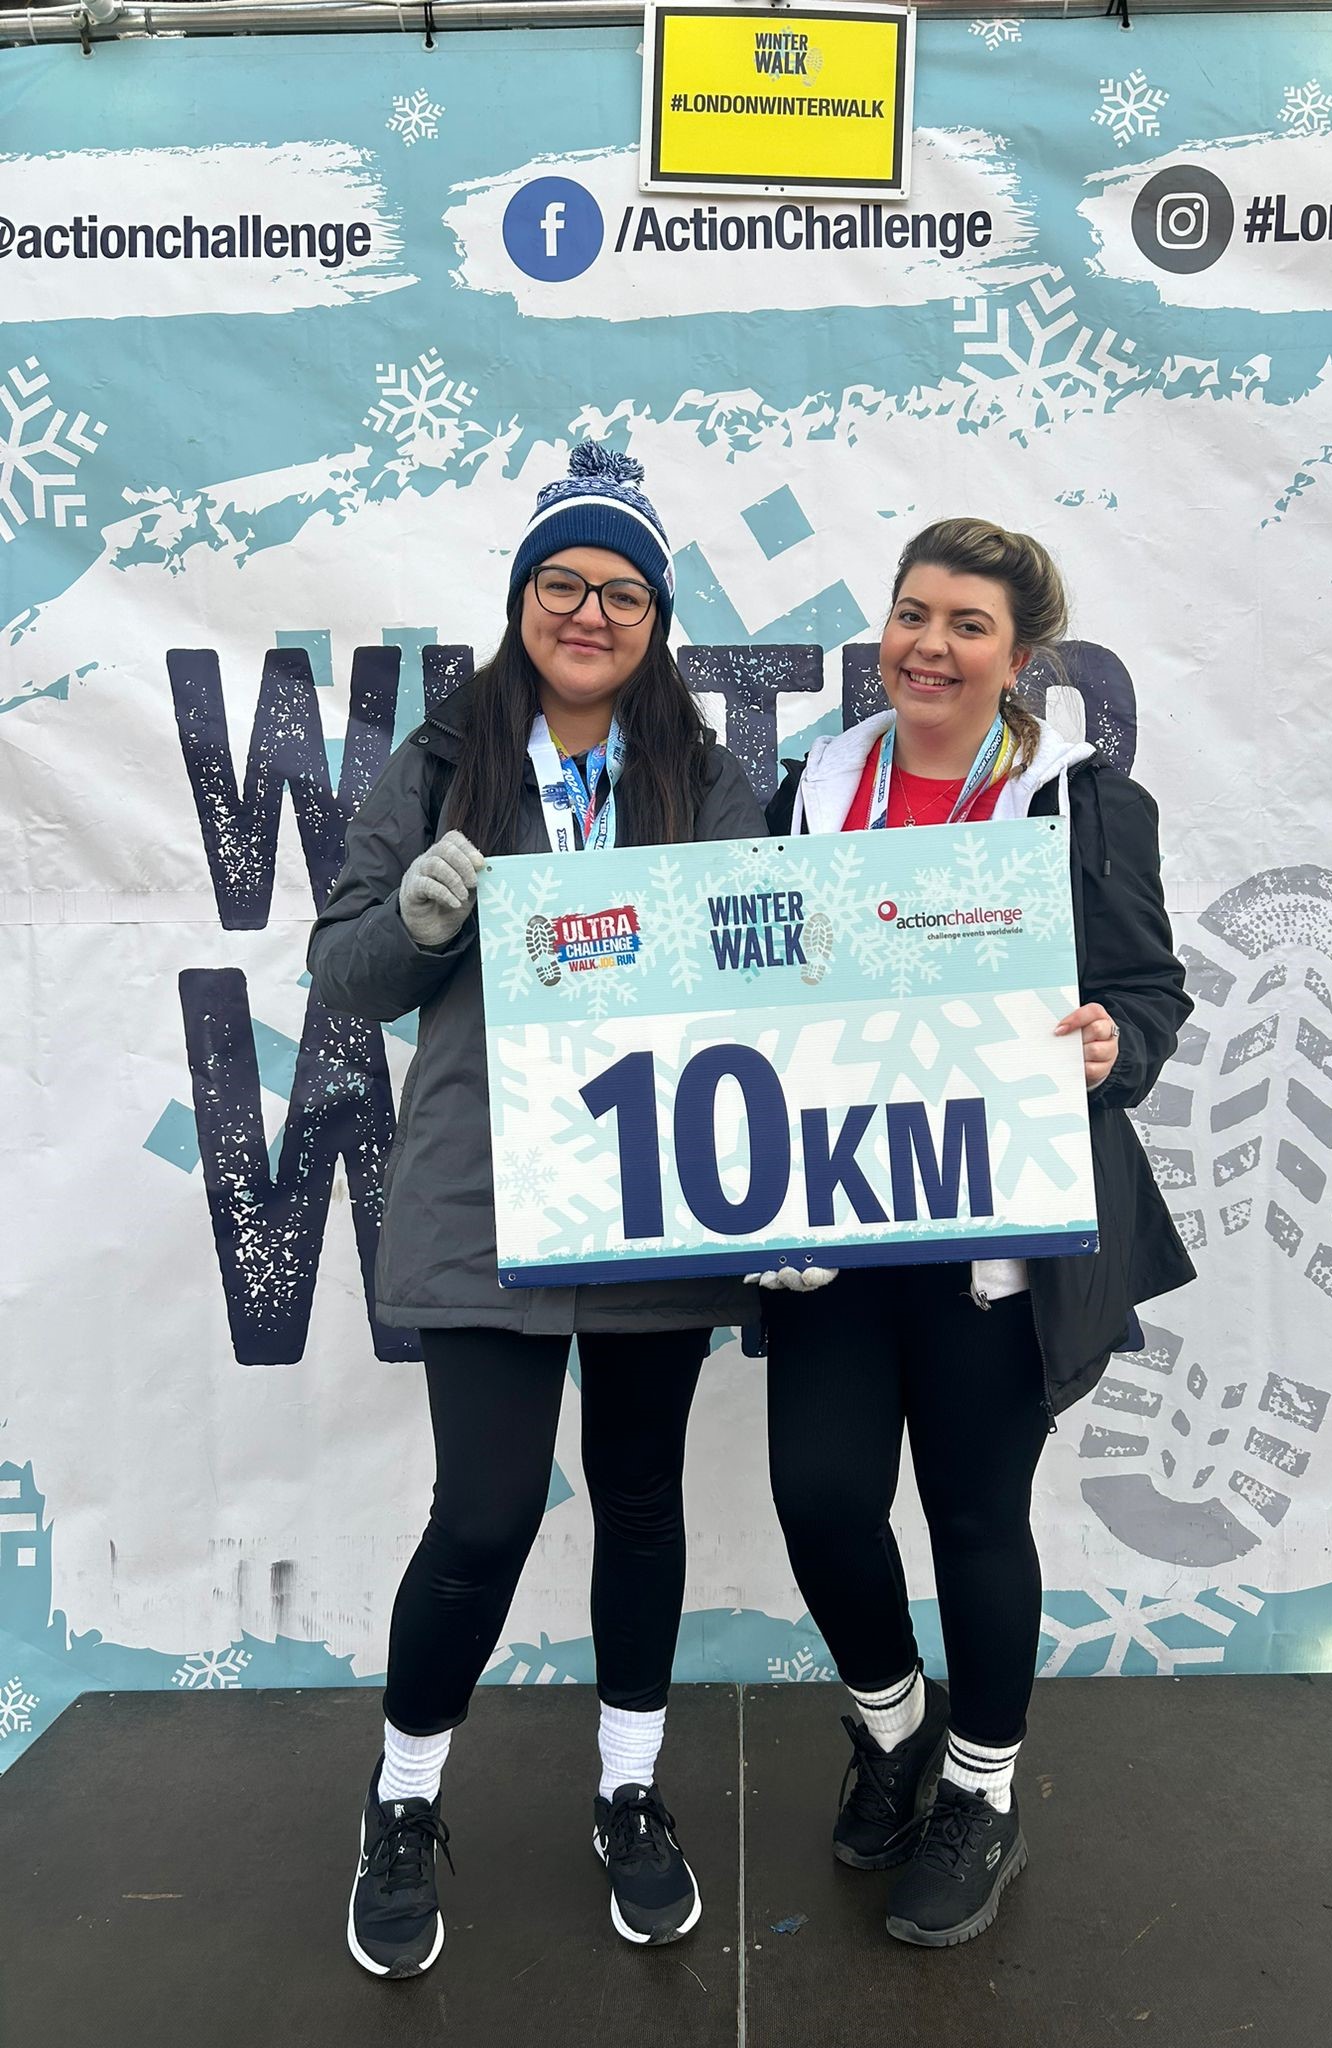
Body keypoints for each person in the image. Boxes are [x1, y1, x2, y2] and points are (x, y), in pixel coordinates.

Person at [309, 443, 764, 1977]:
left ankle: (630, 1790)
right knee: (488, 1513)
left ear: (656, 622)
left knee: (640, 1504)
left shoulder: (712, 785)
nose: (590, 611)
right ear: (520, 601)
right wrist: (419, 919)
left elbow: (770, 986)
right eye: (564, 583)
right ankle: (403, 1796)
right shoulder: (439, 765)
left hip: (650, 1199)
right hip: (485, 1197)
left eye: (622, 591)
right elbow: (347, 973)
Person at [756, 516, 1195, 1949]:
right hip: (832, 1221)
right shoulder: (812, 787)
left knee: (971, 1518)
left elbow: (1151, 993)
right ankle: (892, 1726)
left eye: (966, 625)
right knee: (821, 1497)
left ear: (1021, 657)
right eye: (910, 615)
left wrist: (1108, 1041)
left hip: (989, 1236)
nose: (928, 646)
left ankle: (981, 1791)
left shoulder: (1079, 806)